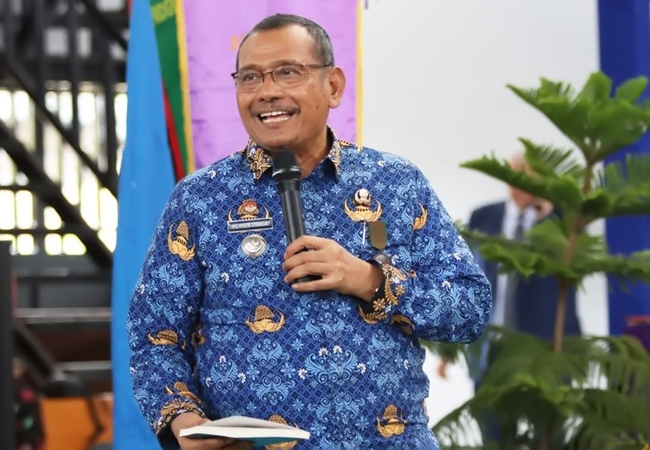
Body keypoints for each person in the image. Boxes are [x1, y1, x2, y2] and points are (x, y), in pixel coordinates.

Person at [127, 13, 492, 450]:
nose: (267, 91)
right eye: (250, 77)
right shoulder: (200, 199)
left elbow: (470, 309)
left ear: (333, 86)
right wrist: (183, 420)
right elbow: (154, 336)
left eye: (288, 72)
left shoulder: (394, 183)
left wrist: (370, 280)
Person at [437, 153, 582, 444]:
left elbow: (574, 260)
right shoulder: (483, 218)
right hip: (490, 352)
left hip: (544, 353)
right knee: (493, 437)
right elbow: (466, 284)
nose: (519, 187)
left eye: (527, 180)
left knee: (550, 437)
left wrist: (550, 215)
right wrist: (448, 349)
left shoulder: (559, 223)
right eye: (514, 178)